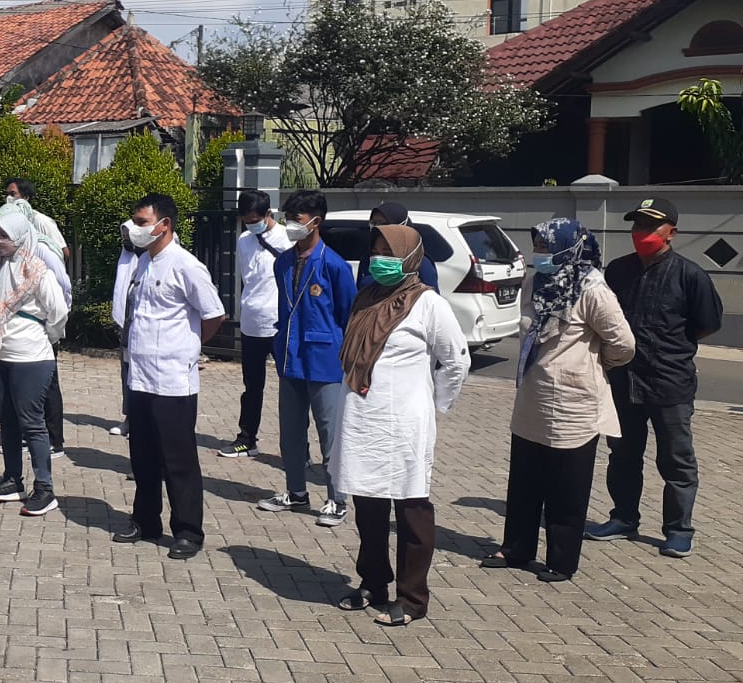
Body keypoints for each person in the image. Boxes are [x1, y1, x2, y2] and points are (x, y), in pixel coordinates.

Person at [334, 224, 470, 626]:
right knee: (367, 505)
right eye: (376, 251)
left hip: (404, 423)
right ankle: (373, 582)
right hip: (362, 419)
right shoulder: (366, 297)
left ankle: (412, 598)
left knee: (411, 509)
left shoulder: (428, 304)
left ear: (410, 257)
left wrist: (435, 403)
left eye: (389, 252)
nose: (380, 259)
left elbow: (456, 360)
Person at [483, 219, 634, 582]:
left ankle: (561, 560)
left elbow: (624, 344)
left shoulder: (593, 289)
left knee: (567, 486)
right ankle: (517, 548)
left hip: (573, 402)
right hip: (533, 397)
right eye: (538, 247)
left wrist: (590, 365)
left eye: (547, 248)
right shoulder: (535, 283)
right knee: (524, 481)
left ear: (569, 248)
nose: (540, 255)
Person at [587, 197, 723, 558]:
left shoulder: (690, 275)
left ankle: (678, 530)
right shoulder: (618, 271)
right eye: (637, 226)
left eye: (650, 226)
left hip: (670, 383)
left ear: (671, 233)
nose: (641, 233)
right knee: (622, 455)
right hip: (624, 381)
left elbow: (707, 324)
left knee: (676, 460)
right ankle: (623, 519)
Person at [110, 194, 225, 559]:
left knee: (178, 460)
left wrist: (189, 346)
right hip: (140, 377)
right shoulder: (143, 262)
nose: (135, 228)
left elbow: (214, 314)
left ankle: (188, 531)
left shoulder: (186, 265)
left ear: (164, 225)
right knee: (142, 455)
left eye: (142, 222)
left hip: (173, 380)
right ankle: (146, 520)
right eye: (135, 221)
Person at [258, 190, 358, 526]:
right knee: (290, 432)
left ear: (316, 221)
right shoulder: (282, 262)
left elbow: (347, 313)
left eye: (297, 220)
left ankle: (337, 499)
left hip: (325, 360)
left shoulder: (334, 265)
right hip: (290, 357)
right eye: (288, 219)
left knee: (330, 433)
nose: (291, 225)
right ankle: (296, 492)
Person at [0, 207, 71, 517]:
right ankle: (12, 480)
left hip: (30, 356)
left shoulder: (38, 270)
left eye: (4, 235)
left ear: (19, 235)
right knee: (6, 419)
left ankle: (44, 488)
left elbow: (58, 312)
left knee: (32, 423)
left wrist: (46, 337)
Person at [0, 195, 73, 457]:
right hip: (16, 339)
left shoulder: (41, 247)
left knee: (48, 386)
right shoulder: (9, 254)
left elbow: (62, 286)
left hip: (43, 329)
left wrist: (51, 331)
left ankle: (54, 439)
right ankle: (26, 434)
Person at [221, 189, 291, 458]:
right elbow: (247, 278)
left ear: (268, 214)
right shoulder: (244, 240)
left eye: (255, 220)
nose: (251, 225)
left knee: (291, 389)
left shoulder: (286, 238)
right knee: (252, 386)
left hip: (280, 322)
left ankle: (298, 448)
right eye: (246, 220)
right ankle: (247, 438)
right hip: (251, 321)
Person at [356, 201, 439, 290]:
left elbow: (430, 294)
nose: (377, 228)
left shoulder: (416, 262)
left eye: (383, 223)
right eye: (373, 223)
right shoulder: (368, 258)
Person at [4, 179, 70, 261]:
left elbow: (64, 252)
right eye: (7, 194)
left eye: (12, 194)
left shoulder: (40, 221)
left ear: (25, 197)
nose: (8, 198)